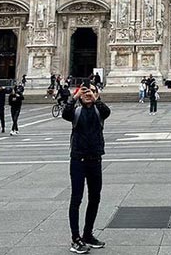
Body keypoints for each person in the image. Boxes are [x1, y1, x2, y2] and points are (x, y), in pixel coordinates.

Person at [62, 82, 110, 253]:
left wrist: (96, 98)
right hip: (78, 159)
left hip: (95, 158)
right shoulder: (75, 111)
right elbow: (65, 114)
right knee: (76, 199)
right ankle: (76, 238)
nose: (88, 94)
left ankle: (88, 234)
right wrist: (74, 97)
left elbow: (107, 111)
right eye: (85, 92)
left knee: (95, 198)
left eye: (91, 92)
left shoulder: (99, 110)